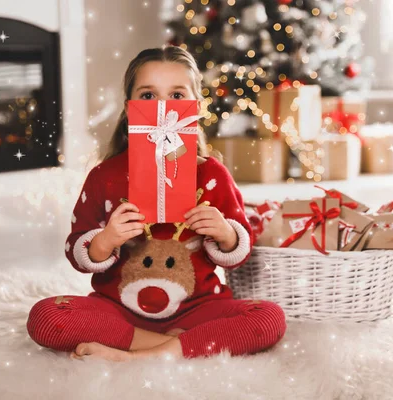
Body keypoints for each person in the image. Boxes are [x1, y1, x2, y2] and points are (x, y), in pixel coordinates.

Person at [26, 46, 287, 362]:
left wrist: (226, 234)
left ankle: (142, 354)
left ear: (196, 106)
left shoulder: (212, 174)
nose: (163, 107)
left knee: (269, 319)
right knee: (46, 317)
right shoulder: (103, 176)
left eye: (177, 95)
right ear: (129, 107)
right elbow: (76, 252)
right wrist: (105, 240)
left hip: (199, 309)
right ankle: (170, 346)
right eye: (148, 96)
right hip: (118, 309)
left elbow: (240, 251)